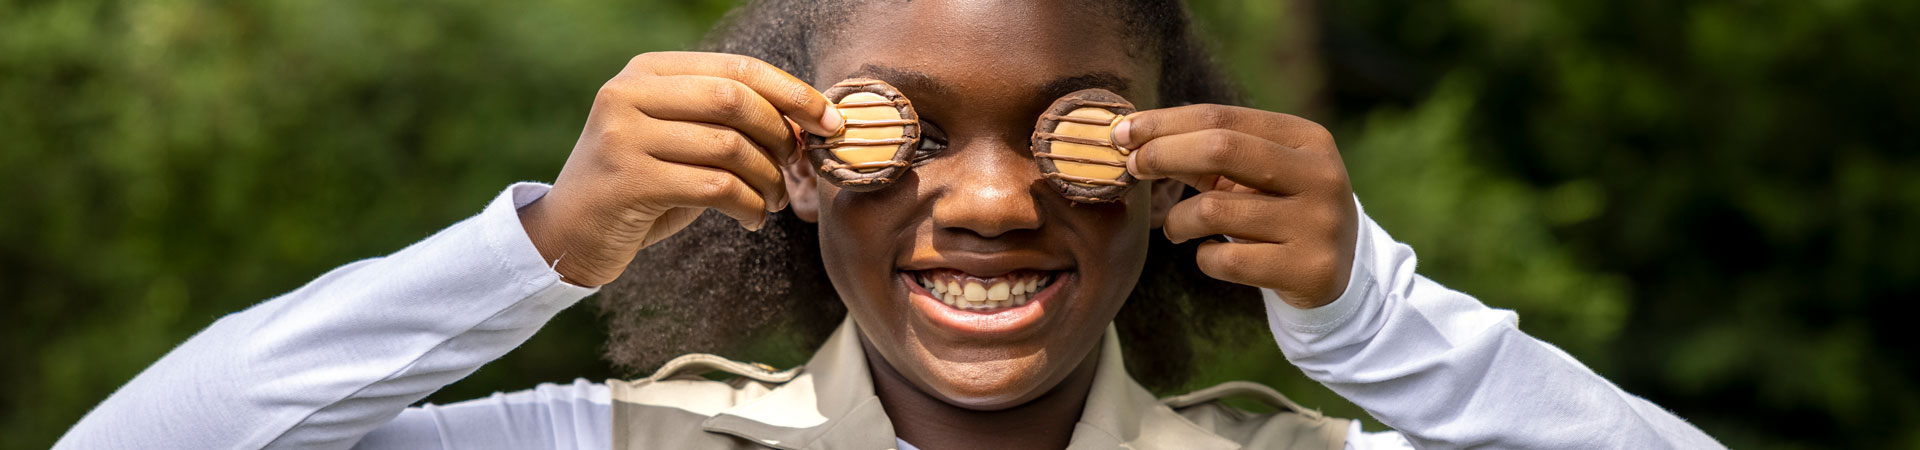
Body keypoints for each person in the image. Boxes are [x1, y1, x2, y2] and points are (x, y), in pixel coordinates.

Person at [56, 1, 1725, 449]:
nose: (992, 200)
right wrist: (546, 243)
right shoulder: (616, 442)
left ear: (1163, 167)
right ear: (784, 159)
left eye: (1063, 130)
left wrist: (1373, 317)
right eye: (901, 132)